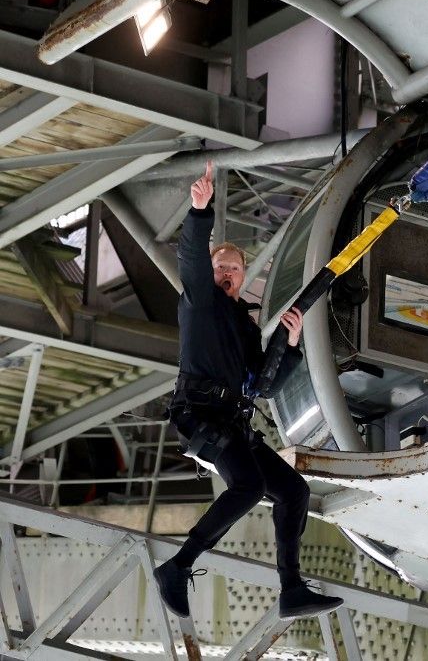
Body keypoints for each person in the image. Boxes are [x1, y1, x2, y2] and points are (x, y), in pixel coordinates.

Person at [154, 162, 344, 621]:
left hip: (232, 423)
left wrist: (290, 343)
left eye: (234, 269)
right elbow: (191, 258)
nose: (227, 274)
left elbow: (261, 383)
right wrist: (200, 211)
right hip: (201, 414)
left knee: (293, 491)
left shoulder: (243, 326)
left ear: (243, 278)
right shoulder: (200, 302)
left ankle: (291, 588)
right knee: (249, 485)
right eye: (221, 267)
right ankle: (178, 567)